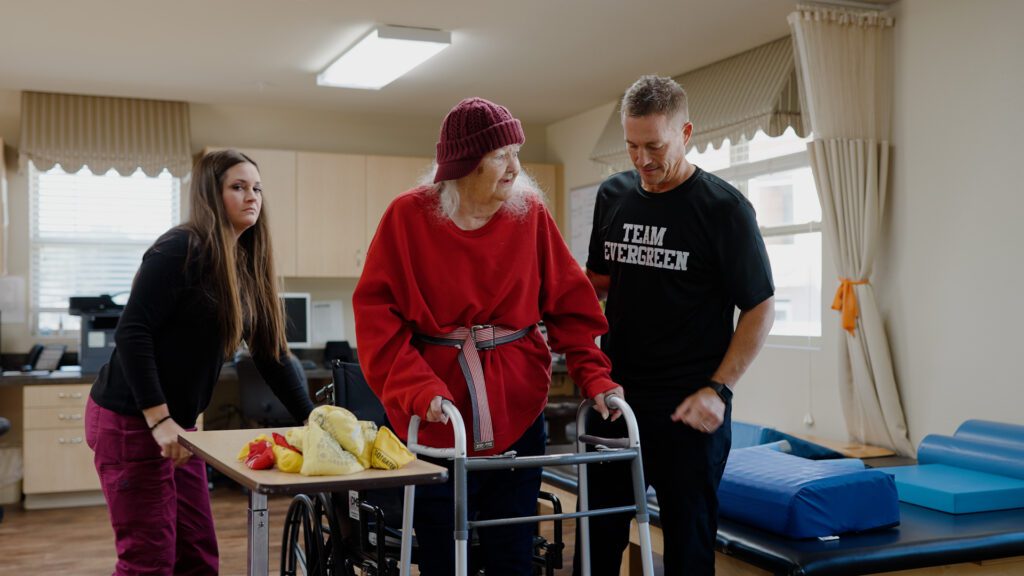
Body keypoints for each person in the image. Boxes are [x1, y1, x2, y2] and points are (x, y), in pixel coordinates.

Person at [353, 97, 622, 575]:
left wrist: (593, 375)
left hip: (518, 409)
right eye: (501, 156)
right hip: (437, 415)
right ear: (464, 165)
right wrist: (420, 390)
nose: (515, 168)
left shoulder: (530, 214)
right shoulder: (407, 217)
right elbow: (379, 324)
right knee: (441, 553)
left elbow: (572, 307)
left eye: (516, 153)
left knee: (513, 552)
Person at [576, 75, 776, 575]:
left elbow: (759, 307)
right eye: (631, 145)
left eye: (654, 146)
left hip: (689, 409)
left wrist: (719, 389)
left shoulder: (724, 209)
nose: (641, 159)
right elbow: (599, 281)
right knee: (595, 543)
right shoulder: (613, 195)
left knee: (688, 551)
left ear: (685, 132)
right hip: (616, 400)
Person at [84, 149, 316, 575]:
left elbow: (270, 352)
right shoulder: (181, 248)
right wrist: (159, 420)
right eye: (238, 187)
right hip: (133, 421)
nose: (252, 196)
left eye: (257, 188)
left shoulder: (244, 262)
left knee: (198, 557)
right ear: (212, 193)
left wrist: (312, 418)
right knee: (149, 562)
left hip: (180, 427)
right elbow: (132, 332)